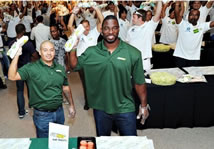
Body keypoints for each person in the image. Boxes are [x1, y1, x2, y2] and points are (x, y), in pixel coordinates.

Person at [70, 15, 148, 136]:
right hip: (101, 107)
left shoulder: (133, 53)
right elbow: (74, 65)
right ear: (101, 30)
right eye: (106, 28)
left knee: (131, 142)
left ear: (118, 29)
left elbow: (139, 82)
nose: (111, 32)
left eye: (114, 28)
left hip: (125, 106)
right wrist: (73, 48)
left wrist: (143, 105)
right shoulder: (91, 52)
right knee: (103, 142)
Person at [8, 40, 76, 138]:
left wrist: (71, 105)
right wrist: (16, 56)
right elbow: (12, 76)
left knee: (58, 141)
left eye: (51, 50)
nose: (49, 53)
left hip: (59, 112)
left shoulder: (60, 68)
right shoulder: (31, 68)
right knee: (43, 144)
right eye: (45, 50)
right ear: (39, 52)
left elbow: (65, 88)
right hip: (42, 115)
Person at [68, 5, 104, 110]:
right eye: (83, 27)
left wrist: (97, 9)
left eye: (87, 26)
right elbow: (70, 25)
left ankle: (99, 99)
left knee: (97, 81)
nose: (86, 28)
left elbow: (102, 22)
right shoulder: (78, 34)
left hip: (94, 61)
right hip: (82, 62)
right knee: (85, 83)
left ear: (89, 26)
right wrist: (73, 13)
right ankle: (88, 101)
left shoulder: (94, 32)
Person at [8, 24, 38, 119]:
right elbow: (35, 55)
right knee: (30, 88)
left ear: (16, 31)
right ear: (24, 31)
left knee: (20, 90)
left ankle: (21, 112)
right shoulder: (28, 43)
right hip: (28, 69)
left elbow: (10, 56)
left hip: (18, 70)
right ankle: (32, 105)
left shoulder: (12, 43)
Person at [173, 1, 214, 67]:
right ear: (188, 15)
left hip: (194, 57)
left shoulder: (202, 26)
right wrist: (177, 3)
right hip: (180, 56)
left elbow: (212, 23)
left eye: (196, 15)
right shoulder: (182, 24)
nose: (193, 17)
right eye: (191, 15)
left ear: (198, 17)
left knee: (192, 76)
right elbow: (176, 13)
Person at [126, 1, 162, 73]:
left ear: (140, 18)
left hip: (144, 62)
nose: (132, 19)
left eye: (134, 17)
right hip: (132, 61)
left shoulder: (149, 26)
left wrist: (159, 1)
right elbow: (127, 44)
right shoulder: (131, 29)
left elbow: (158, 13)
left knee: (145, 83)